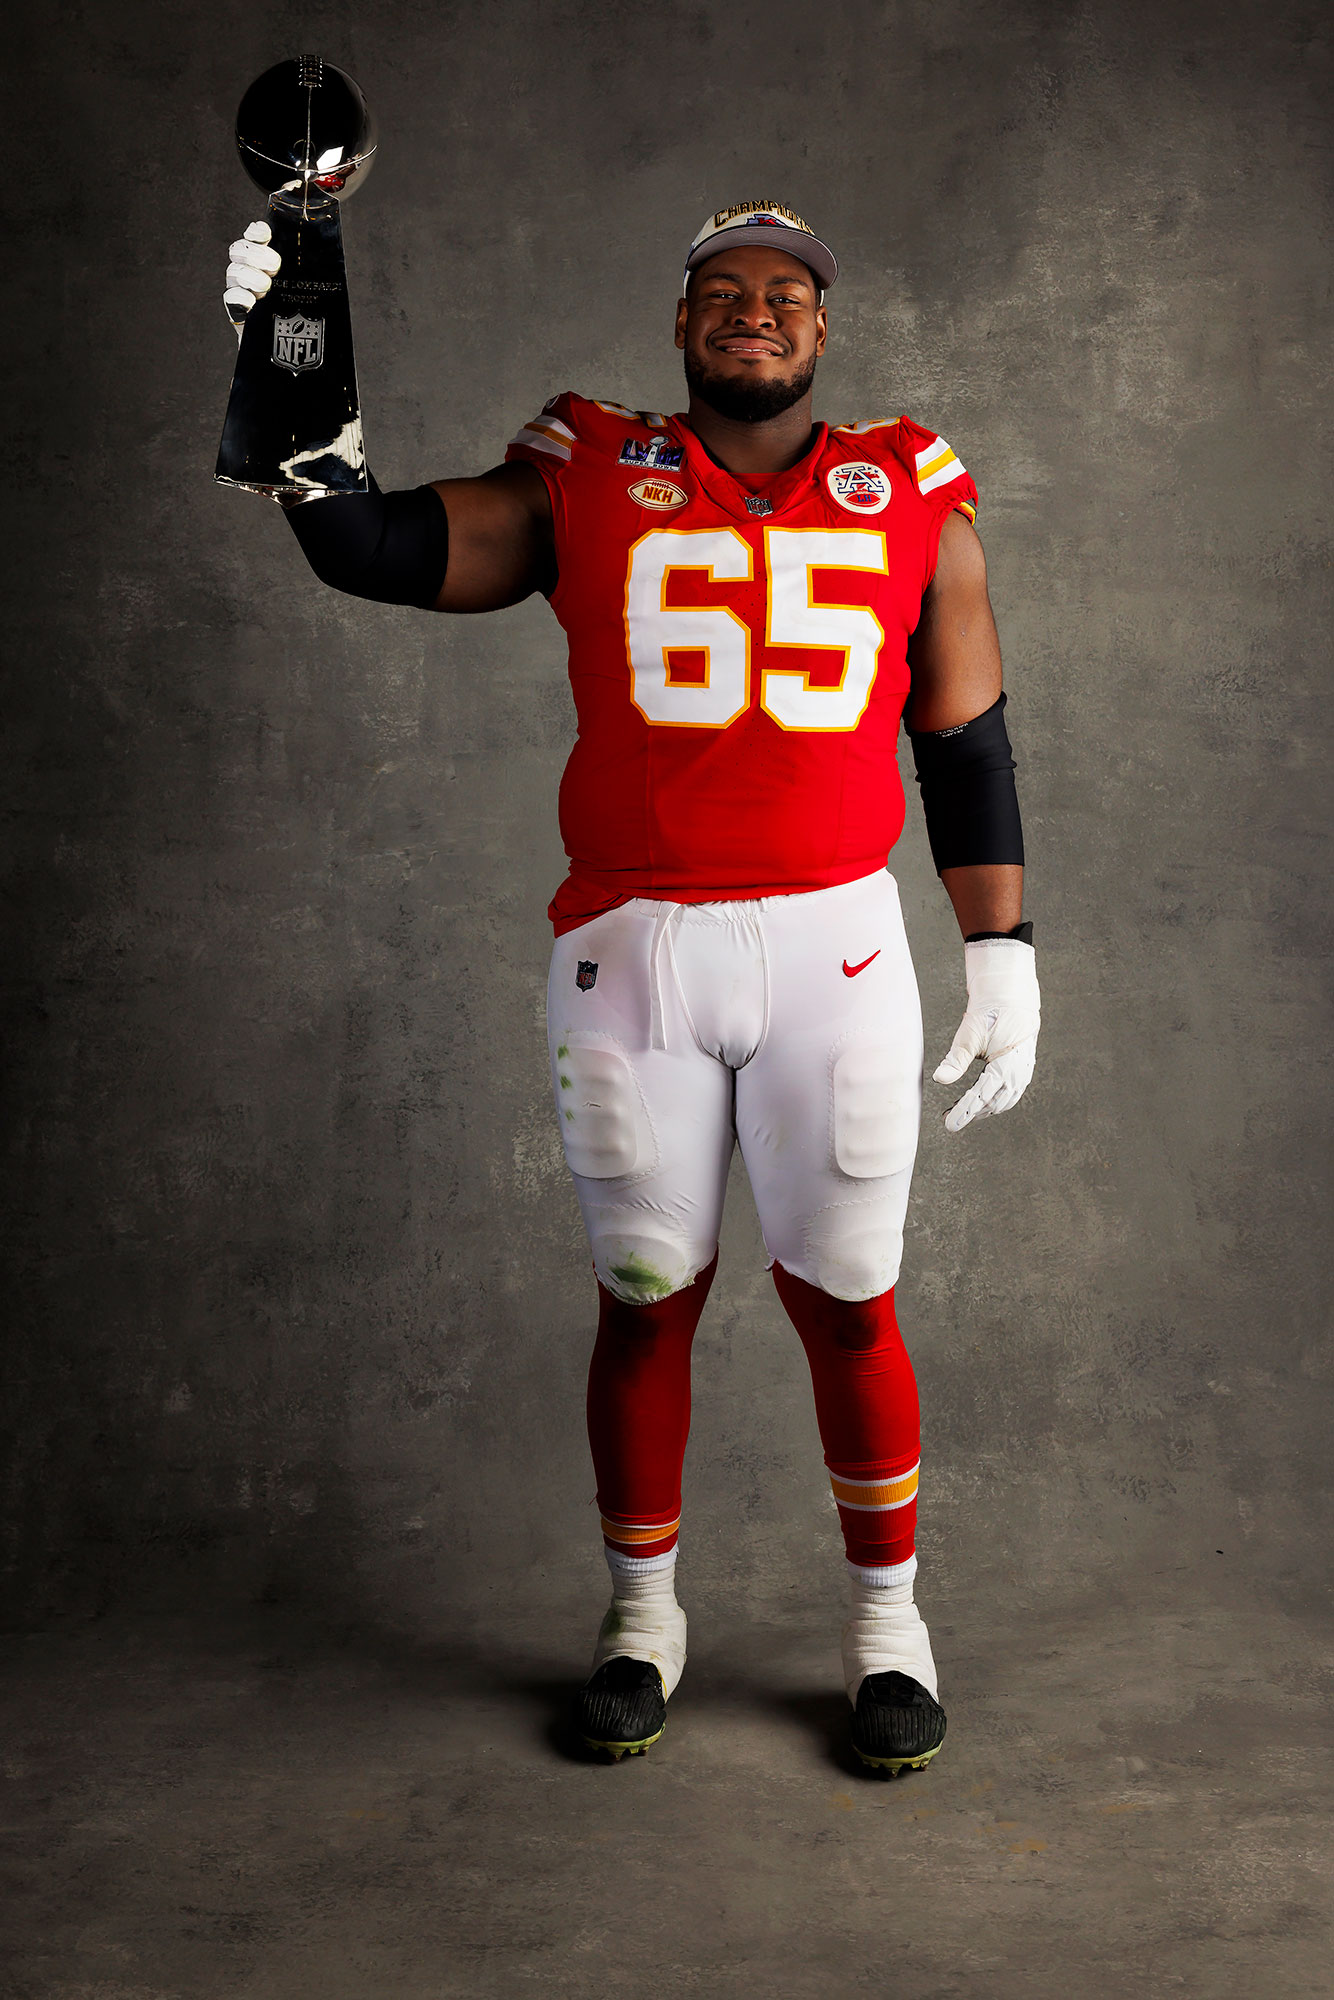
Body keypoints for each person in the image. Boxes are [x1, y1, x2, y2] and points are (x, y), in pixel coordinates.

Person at [221, 199, 1040, 1775]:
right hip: (630, 950)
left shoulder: (913, 498)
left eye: (784, 292)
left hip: (836, 949)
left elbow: (965, 738)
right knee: (646, 1294)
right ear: (677, 327)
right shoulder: (586, 469)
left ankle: (888, 1634)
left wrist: (997, 943)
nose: (752, 311)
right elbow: (372, 548)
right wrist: (286, 371)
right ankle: (638, 1620)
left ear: (822, 327)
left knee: (849, 1300)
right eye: (719, 292)